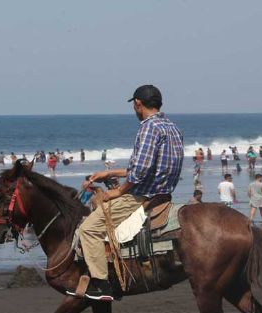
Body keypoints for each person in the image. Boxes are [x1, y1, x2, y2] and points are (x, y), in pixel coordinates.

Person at [79, 85, 184, 298]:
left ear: (138, 103)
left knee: (88, 229)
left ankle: (101, 283)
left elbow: (140, 171)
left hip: (140, 197)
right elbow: (149, 167)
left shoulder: (148, 127)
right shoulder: (172, 128)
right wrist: (107, 174)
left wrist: (118, 192)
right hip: (163, 193)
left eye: (134, 106)